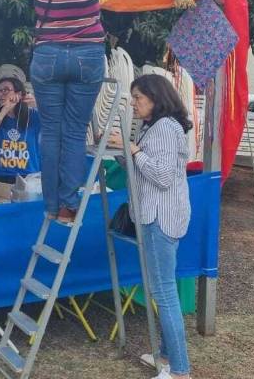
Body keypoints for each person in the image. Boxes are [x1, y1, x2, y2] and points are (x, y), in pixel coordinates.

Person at [0, 0, 106, 226]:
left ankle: (52, 206)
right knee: (75, 131)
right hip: (88, 56)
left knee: (51, 132)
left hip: (49, 55)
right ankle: (69, 205)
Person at [109, 74, 193, 379]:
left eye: (138, 98)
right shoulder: (153, 126)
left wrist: (133, 150)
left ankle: (180, 371)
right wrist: (123, 152)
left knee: (164, 293)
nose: (134, 103)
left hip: (160, 218)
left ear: (155, 99)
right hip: (157, 215)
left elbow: (162, 176)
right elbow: (144, 167)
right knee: (163, 290)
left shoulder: (166, 128)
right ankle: (168, 356)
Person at [0, 77, 41, 186]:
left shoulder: (33, 115)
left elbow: (55, 122)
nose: (1, 94)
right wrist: (4, 110)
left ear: (18, 94)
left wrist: (38, 105)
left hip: (28, 176)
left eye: (6, 90)